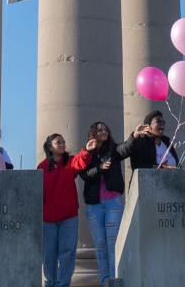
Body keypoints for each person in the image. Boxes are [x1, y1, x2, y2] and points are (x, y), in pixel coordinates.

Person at [77, 121, 134, 284]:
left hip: (113, 204)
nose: (104, 131)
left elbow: (127, 148)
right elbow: (84, 174)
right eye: (100, 129)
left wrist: (134, 135)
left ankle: (114, 281)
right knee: (101, 246)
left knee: (112, 245)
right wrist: (100, 168)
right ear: (93, 134)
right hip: (94, 206)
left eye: (106, 129)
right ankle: (104, 281)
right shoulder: (88, 153)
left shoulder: (113, 150)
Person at [38, 133, 97, 287]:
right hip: (48, 219)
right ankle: (50, 283)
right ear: (50, 147)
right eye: (59, 142)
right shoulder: (42, 167)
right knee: (49, 255)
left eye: (64, 141)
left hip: (69, 217)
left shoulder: (70, 162)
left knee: (68, 253)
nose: (63, 144)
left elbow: (80, 162)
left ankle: (63, 284)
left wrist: (87, 150)